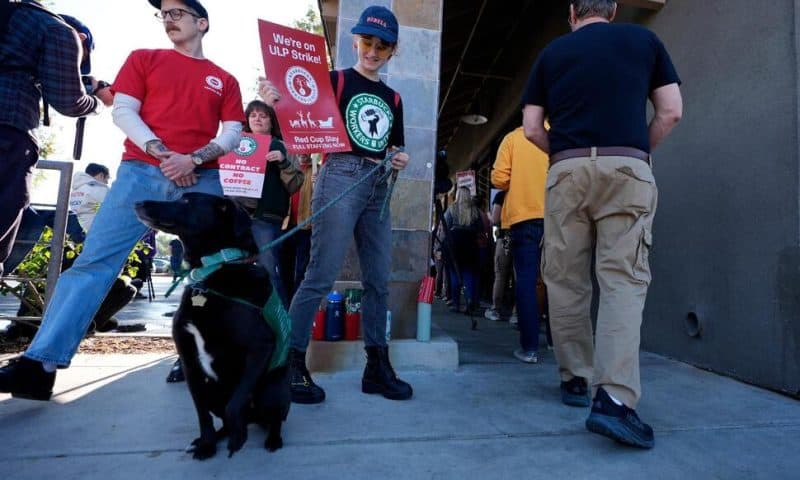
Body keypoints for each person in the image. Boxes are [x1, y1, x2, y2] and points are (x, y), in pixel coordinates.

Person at [0, 0, 244, 401]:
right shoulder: (144, 58)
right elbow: (124, 111)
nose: (168, 19)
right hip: (140, 174)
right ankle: (39, 366)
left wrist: (194, 158)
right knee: (93, 263)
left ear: (202, 22)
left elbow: (233, 132)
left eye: (177, 13)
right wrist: (163, 153)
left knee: (219, 268)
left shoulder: (225, 79)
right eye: (163, 14)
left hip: (202, 179)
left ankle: (215, 356)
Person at [522, 0, 682, 448]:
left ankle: (575, 379)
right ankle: (612, 398)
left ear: (571, 11)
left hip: (567, 170)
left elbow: (532, 127)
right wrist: (637, 152)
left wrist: (565, 155)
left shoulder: (552, 53)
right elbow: (671, 111)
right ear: (611, 10)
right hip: (628, 167)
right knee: (622, 281)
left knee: (565, 279)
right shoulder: (644, 41)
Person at [259, 5, 412, 404]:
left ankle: (377, 365)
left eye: (382, 46)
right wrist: (274, 100)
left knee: (379, 279)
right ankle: (291, 364)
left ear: (393, 51)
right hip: (340, 173)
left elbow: (394, 145)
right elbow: (298, 116)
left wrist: (399, 158)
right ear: (355, 41)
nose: (373, 51)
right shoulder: (336, 81)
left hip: (378, 181)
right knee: (321, 274)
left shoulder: (393, 98)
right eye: (367, 42)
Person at [0, 2, 112, 278]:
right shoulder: (58, 30)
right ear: (81, 39)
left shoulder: (11, 18)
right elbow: (70, 101)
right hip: (8, 135)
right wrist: (97, 101)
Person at [237, 99, 303, 309]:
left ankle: (281, 320)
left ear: (271, 121)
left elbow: (296, 184)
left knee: (269, 270)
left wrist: (283, 162)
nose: (258, 119)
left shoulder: (283, 147)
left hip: (267, 219)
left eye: (263, 115)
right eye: (253, 115)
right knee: (234, 269)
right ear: (247, 120)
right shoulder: (234, 144)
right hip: (236, 218)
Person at [491, 125, 549, 364]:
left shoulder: (513, 138)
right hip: (557, 217)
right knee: (557, 282)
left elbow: (498, 178)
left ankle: (530, 348)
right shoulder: (557, 134)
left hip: (523, 218)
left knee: (525, 281)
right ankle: (557, 343)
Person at [280, 153, 314, 300]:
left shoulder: (317, 170)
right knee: (283, 269)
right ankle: (285, 306)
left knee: (302, 271)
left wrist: (317, 183)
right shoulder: (287, 165)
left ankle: (297, 306)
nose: (303, 153)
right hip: (284, 225)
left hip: (306, 226)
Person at [443, 187, 483, 315]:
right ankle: (469, 301)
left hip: (455, 243)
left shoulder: (452, 209)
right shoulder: (474, 210)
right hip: (470, 244)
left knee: (455, 274)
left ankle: (455, 303)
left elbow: (446, 226)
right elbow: (480, 228)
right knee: (468, 274)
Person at [484, 191, 515, 323]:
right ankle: (517, 313)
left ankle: (495, 309)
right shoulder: (525, 191)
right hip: (523, 237)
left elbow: (495, 220)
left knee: (500, 275)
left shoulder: (502, 195)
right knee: (520, 276)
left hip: (505, 238)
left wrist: (489, 215)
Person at [69, 163, 110, 233]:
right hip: (97, 228)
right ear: (101, 175)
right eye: (107, 178)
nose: (107, 182)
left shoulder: (78, 187)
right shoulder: (95, 188)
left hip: (81, 226)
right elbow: (116, 201)